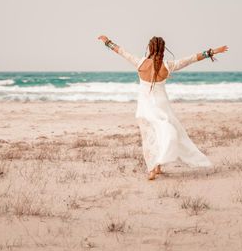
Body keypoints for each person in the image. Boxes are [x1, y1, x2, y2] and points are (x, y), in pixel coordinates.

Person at [97, 35, 229, 180]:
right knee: (162, 133)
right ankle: (157, 166)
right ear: (162, 49)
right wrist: (212, 52)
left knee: (149, 137)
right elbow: (191, 59)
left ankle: (153, 169)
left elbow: (121, 51)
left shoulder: (140, 63)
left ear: (150, 48)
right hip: (162, 106)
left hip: (145, 106)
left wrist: (107, 42)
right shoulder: (167, 66)